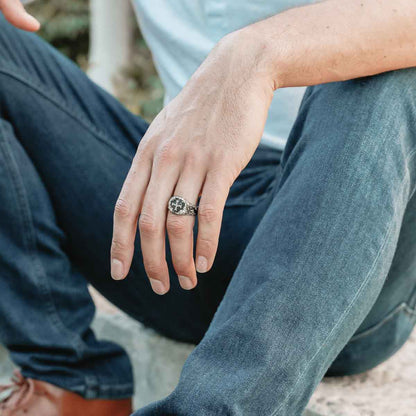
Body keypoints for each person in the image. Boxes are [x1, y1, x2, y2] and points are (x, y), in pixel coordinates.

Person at [0, 0, 416, 415]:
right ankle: (70, 384)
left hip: (353, 243)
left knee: (390, 59)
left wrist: (257, 55)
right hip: (173, 231)